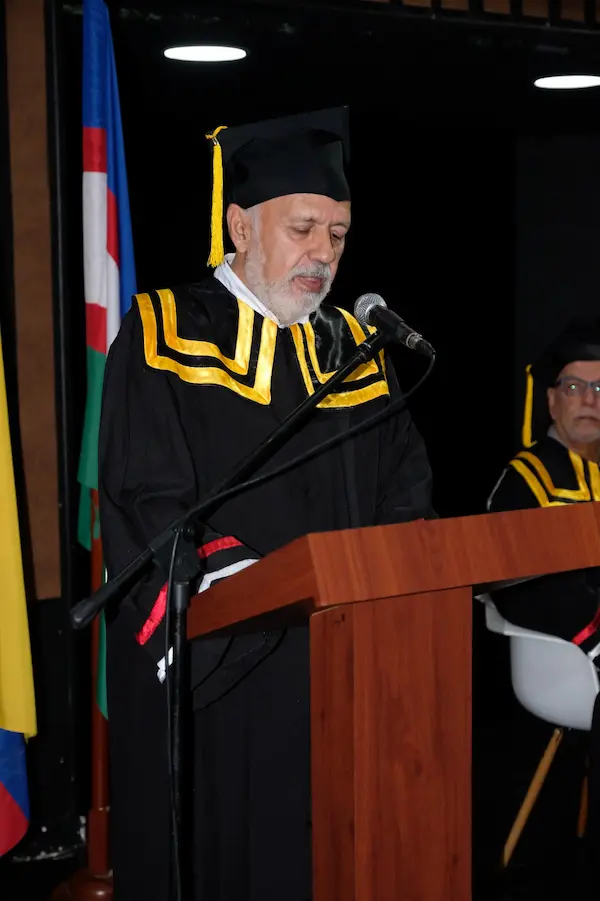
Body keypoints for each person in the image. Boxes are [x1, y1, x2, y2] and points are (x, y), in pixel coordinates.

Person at [98, 106, 435, 901]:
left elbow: (405, 489)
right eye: (305, 228)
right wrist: (249, 594)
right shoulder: (162, 333)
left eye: (340, 235)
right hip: (225, 669)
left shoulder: (356, 354)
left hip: (348, 666)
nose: (324, 254)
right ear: (241, 226)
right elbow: (148, 493)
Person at [487, 316, 600, 891]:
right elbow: (516, 582)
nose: (590, 400)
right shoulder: (526, 480)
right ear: (552, 398)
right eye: (576, 387)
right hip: (568, 658)